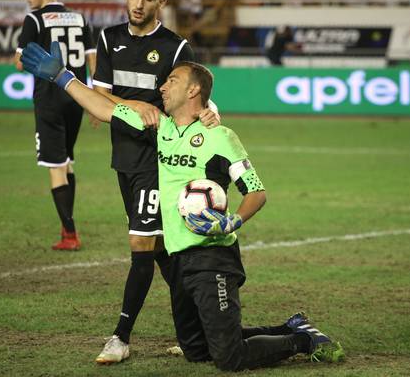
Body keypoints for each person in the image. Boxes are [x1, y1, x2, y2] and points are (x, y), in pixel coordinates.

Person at [19, 41, 345, 371]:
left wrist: (232, 221)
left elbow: (257, 193)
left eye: (171, 80)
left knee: (228, 358)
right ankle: (290, 328)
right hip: (179, 259)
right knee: (196, 348)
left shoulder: (220, 137)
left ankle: (305, 341)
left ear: (193, 91)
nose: (162, 85)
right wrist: (61, 77)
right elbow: (103, 109)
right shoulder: (161, 128)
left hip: (213, 257)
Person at [88, 0, 219, 363]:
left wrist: (212, 109)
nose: (139, 4)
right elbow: (100, 100)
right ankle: (196, 331)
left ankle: (120, 337)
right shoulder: (109, 38)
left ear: (162, 2)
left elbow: (193, 95)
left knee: (141, 247)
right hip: (123, 158)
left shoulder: (177, 48)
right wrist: (135, 104)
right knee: (164, 252)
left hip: (159, 159)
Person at [14, 0, 96, 251]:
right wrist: (96, 98)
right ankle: (66, 228)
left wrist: (32, 60)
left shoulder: (34, 19)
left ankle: (70, 235)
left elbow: (21, 62)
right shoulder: (79, 18)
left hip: (50, 96)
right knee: (68, 161)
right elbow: (91, 59)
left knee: (55, 166)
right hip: (77, 96)